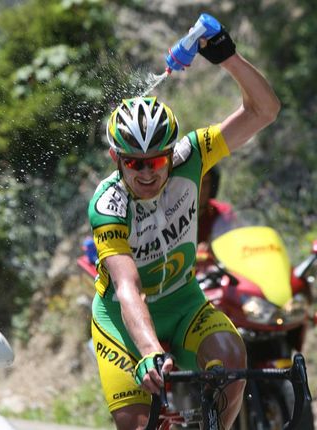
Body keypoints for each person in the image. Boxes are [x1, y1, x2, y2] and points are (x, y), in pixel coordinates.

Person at [88, 14, 280, 430]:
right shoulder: (108, 202)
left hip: (184, 302)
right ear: (115, 159)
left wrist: (227, 57)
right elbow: (127, 287)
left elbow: (264, 110)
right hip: (123, 321)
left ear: (171, 153)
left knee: (231, 357)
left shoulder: (191, 155)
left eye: (156, 161)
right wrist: (149, 351)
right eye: (133, 163)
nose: (146, 173)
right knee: (141, 424)